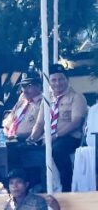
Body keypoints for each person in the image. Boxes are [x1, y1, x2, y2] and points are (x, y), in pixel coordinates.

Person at [29, 64, 87, 192]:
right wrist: (31, 139)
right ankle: (38, 187)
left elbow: (76, 122)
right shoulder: (47, 100)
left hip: (70, 138)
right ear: (49, 82)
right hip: (51, 138)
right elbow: (39, 124)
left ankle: (66, 186)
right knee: (27, 151)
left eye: (61, 79)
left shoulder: (77, 97)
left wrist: (55, 136)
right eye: (54, 80)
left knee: (57, 150)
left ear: (67, 80)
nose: (57, 83)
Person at [3, 73, 44, 141]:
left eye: (29, 86)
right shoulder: (22, 102)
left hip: (27, 142)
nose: (25, 90)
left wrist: (18, 137)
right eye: (23, 86)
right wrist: (7, 136)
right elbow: (6, 125)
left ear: (38, 87)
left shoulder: (42, 103)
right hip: (10, 141)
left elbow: (40, 128)